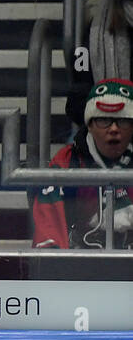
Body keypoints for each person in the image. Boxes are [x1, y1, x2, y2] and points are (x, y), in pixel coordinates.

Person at [33, 78, 133, 249]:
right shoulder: (67, 162)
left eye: (123, 120)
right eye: (103, 120)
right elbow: (48, 234)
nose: (114, 129)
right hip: (81, 267)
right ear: (90, 125)